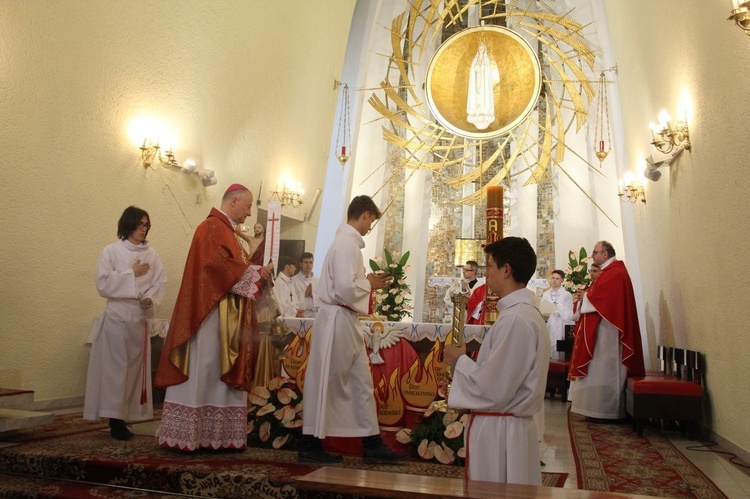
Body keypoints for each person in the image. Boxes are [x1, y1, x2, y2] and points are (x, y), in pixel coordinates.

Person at [154, 184, 272, 451]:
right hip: (209, 318)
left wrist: (255, 268)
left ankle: (214, 436)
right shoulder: (211, 228)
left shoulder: (228, 231)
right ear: (233, 202)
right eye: (248, 205)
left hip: (225, 317)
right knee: (205, 370)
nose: (250, 212)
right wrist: (254, 272)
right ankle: (192, 435)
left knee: (214, 372)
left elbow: (233, 266)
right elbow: (216, 267)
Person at [300, 195, 406, 463]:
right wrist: (369, 283)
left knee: (361, 382)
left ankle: (371, 442)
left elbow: (347, 285)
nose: (370, 227)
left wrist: (367, 283)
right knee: (328, 381)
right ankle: (310, 445)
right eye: (371, 220)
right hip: (337, 321)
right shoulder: (346, 244)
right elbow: (346, 289)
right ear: (365, 214)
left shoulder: (346, 244)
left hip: (345, 321)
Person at [443, 237, 549, 485]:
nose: (486, 274)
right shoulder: (520, 314)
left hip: (501, 434)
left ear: (507, 269)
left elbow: (494, 388)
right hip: (506, 428)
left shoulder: (516, 320)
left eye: (489, 266)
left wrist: (459, 360)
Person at [84, 206, 167, 440]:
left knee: (134, 369)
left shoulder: (152, 255)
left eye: (147, 225)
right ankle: (114, 420)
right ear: (128, 224)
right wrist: (131, 273)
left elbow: (160, 281)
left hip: (138, 316)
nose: (144, 229)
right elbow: (102, 283)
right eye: (140, 224)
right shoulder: (111, 251)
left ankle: (126, 415)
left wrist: (150, 299)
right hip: (117, 315)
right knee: (116, 369)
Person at [568, 241, 645, 422]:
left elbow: (605, 299)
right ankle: (596, 409)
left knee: (605, 368)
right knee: (598, 367)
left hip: (609, 332)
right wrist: (586, 296)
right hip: (602, 329)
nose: (592, 256)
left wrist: (585, 296)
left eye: (595, 252)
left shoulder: (616, 272)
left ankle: (606, 411)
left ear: (605, 254)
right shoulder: (608, 272)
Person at [541, 270, 575, 358]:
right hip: (549, 324)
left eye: (557, 278)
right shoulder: (546, 294)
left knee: (559, 349)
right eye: (553, 278)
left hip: (561, 325)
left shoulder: (566, 294)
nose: (554, 280)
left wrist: (559, 307)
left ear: (562, 280)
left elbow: (570, 313)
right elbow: (542, 309)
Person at [466, 40, 495, 130]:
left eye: (482, 48)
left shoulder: (487, 59)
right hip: (476, 80)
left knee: (483, 94)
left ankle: (483, 107)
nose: (481, 50)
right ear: (478, 50)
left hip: (484, 82)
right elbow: (472, 71)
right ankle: (476, 108)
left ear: (484, 50)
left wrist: (483, 66)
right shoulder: (475, 59)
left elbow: (488, 71)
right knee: (477, 93)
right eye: (480, 48)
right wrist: (477, 66)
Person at [292, 252, 321, 318]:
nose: (308, 265)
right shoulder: (293, 280)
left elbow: (323, 300)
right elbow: (291, 300)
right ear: (300, 264)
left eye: (310, 262)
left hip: (315, 315)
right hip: (300, 315)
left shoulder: (318, 281)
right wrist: (304, 295)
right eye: (305, 262)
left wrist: (312, 295)